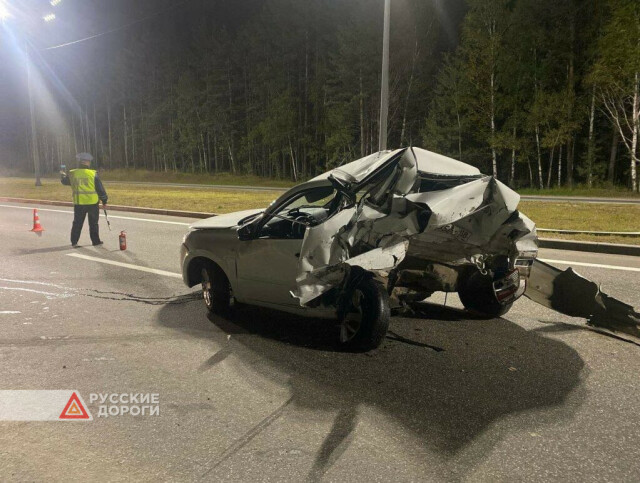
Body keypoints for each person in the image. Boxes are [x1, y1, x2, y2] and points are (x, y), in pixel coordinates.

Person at [60, 152, 108, 247]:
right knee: (93, 223)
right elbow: (100, 189)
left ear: (79, 162)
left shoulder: (73, 173)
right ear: (88, 162)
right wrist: (104, 200)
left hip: (79, 203)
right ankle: (95, 241)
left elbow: (65, 182)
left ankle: (74, 242)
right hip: (92, 203)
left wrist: (62, 174)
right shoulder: (93, 174)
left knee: (77, 223)